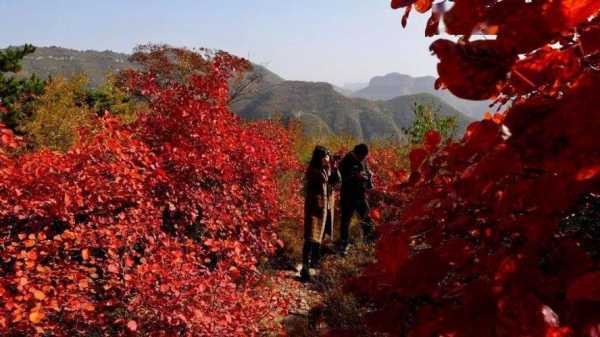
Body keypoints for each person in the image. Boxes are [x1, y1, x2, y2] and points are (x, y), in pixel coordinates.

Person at [301, 145, 341, 281]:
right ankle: (305, 267)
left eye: (328, 156)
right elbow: (322, 179)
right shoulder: (313, 170)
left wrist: (335, 167)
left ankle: (314, 266)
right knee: (311, 236)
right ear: (319, 157)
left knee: (321, 237)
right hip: (314, 207)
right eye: (325, 156)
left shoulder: (328, 168)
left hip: (326, 208)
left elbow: (336, 183)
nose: (327, 158)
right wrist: (327, 167)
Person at [338, 143, 376, 255]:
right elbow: (341, 180)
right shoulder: (345, 161)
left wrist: (369, 177)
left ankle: (369, 242)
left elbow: (367, 173)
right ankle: (344, 244)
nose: (363, 159)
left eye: (365, 157)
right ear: (356, 154)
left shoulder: (363, 160)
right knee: (345, 221)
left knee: (366, 219)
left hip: (361, 194)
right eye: (362, 157)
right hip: (348, 196)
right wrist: (354, 177)